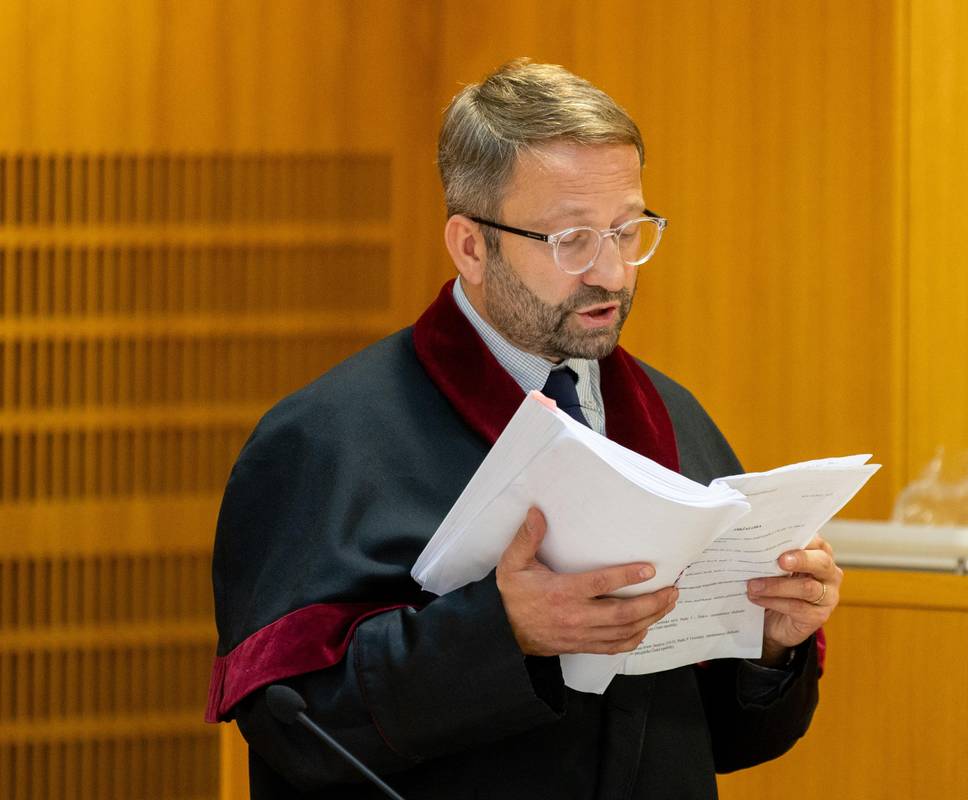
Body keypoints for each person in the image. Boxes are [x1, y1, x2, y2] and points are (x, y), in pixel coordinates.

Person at [206, 58, 844, 799]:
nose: (612, 272)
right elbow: (289, 725)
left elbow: (723, 741)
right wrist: (500, 632)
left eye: (627, 230)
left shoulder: (675, 416)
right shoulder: (322, 441)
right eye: (572, 238)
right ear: (471, 246)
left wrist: (770, 647)